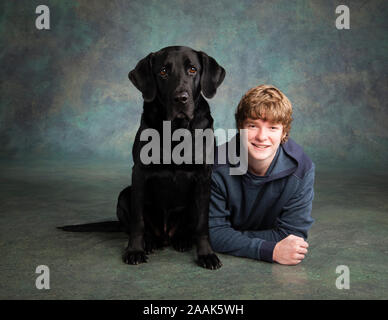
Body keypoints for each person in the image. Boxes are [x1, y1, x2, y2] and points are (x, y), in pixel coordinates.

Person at [209, 85, 315, 265]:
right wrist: (270, 250)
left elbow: (292, 237)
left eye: (273, 127)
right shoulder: (215, 165)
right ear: (240, 127)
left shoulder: (302, 170)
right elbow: (213, 233)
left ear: (284, 133)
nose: (261, 136)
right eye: (252, 125)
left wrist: (229, 236)